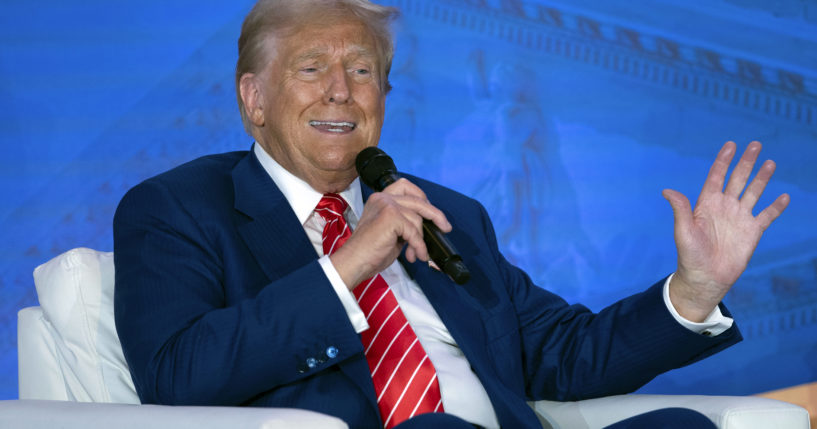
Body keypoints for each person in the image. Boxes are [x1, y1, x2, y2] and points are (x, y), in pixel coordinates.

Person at [112, 1, 790, 428]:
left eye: (363, 71)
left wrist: (694, 289)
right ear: (253, 98)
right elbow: (177, 374)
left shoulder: (445, 212)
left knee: (677, 424)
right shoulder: (177, 208)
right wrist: (349, 263)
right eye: (312, 67)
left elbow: (560, 354)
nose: (342, 92)